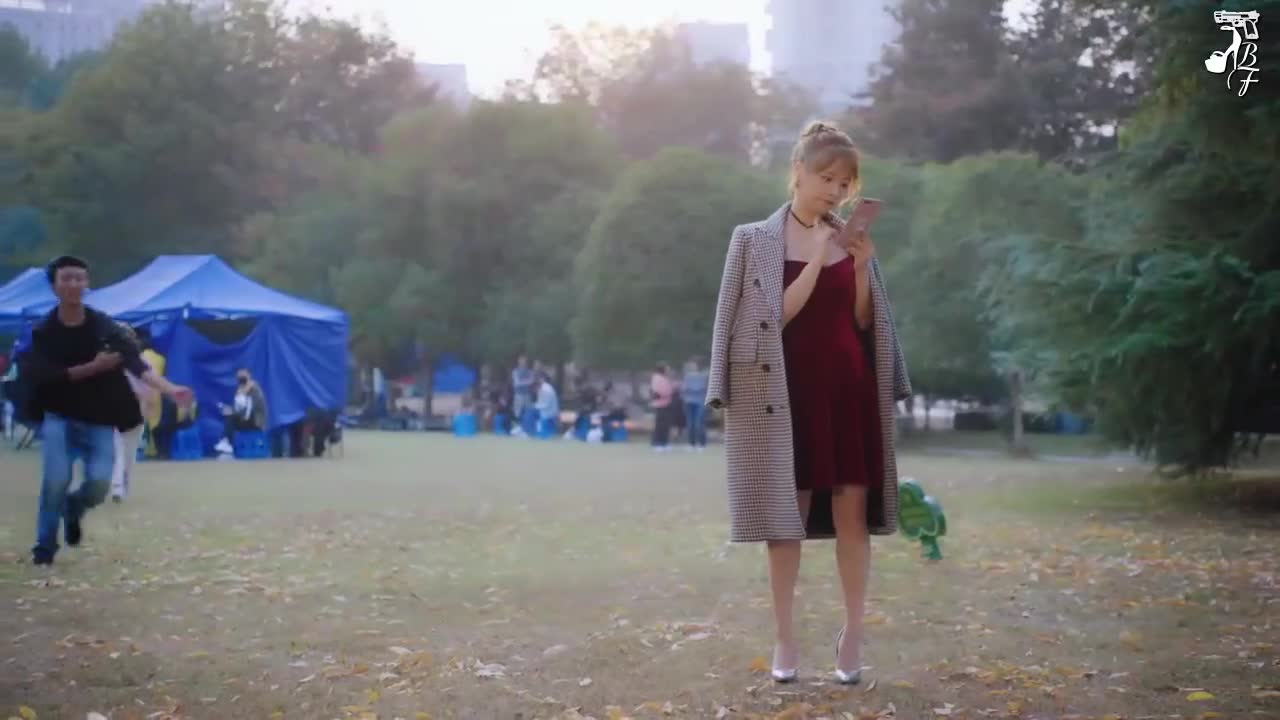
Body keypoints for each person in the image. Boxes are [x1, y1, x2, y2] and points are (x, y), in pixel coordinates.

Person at [704, 121, 912, 686]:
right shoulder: (752, 239)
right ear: (797, 172)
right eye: (827, 179)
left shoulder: (849, 240)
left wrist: (860, 266)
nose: (836, 192)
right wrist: (818, 259)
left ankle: (853, 633)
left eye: (845, 183)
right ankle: (785, 637)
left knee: (852, 515)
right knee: (785, 519)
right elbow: (768, 318)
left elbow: (864, 322)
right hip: (783, 395)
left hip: (847, 389)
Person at [20, 255, 192, 566]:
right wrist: (93, 367)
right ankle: (44, 547)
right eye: (66, 278)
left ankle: (74, 507)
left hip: (99, 418)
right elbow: (44, 376)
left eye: (79, 278)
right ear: (55, 286)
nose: (74, 284)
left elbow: (137, 365)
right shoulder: (43, 332)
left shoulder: (104, 326)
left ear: (87, 283)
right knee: (55, 480)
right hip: (59, 415)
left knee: (100, 484)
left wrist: (171, 389)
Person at [110, 324, 156, 502]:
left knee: (128, 455)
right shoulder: (109, 363)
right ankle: (117, 487)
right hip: (114, 413)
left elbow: (149, 392)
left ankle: (123, 485)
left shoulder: (143, 364)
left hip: (135, 414)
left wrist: (145, 410)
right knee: (118, 451)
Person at [215, 368, 268, 455]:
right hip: (244, 419)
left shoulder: (255, 390)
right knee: (229, 417)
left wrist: (233, 412)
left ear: (249, 376)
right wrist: (229, 410)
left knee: (231, 417)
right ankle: (226, 441)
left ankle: (227, 442)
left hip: (256, 421)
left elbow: (249, 410)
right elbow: (238, 408)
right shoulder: (240, 390)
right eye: (239, 376)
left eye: (243, 375)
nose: (241, 378)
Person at [681, 357, 709, 451]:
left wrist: (692, 389)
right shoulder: (687, 376)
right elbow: (684, 388)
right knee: (690, 424)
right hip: (689, 402)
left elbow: (702, 387)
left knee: (699, 423)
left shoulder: (703, 376)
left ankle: (702, 443)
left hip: (700, 402)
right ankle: (691, 444)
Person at [650, 363, 676, 452]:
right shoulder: (657, 378)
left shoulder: (665, 378)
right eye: (667, 369)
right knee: (660, 425)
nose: (668, 371)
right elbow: (660, 391)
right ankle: (657, 443)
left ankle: (664, 443)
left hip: (667, 403)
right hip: (660, 405)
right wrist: (669, 392)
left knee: (666, 425)